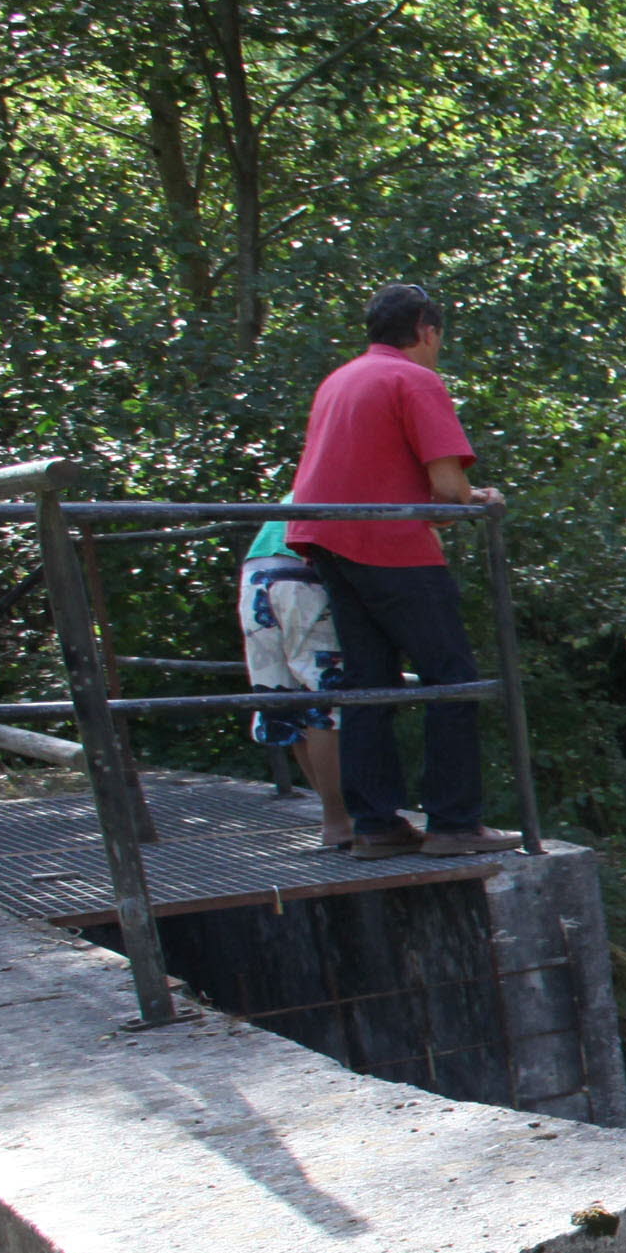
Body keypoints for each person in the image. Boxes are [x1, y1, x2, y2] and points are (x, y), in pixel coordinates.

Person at [285, 283, 511, 859]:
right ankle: (454, 823)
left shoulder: (340, 378)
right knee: (452, 678)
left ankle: (375, 825)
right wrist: (477, 498)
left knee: (368, 684)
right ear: (426, 330)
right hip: (388, 543)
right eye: (439, 337)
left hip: (324, 540)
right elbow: (446, 488)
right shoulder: (413, 378)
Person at [234, 520, 346, 847]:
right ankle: (340, 820)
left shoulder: (309, 479)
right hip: (302, 574)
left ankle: (334, 816)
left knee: (289, 699)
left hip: (255, 576)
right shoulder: (375, 474)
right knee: (327, 705)